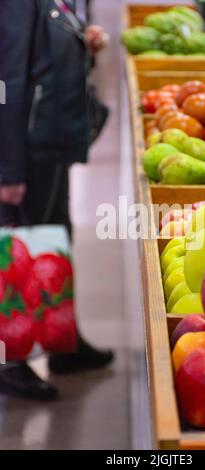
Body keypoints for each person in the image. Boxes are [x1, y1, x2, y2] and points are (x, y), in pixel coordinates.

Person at [0, 0, 113, 401]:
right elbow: (7, 76)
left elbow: (50, 45)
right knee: (19, 254)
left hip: (49, 141)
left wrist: (83, 42)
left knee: (55, 237)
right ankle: (11, 363)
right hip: (28, 147)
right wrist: (8, 168)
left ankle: (61, 339)